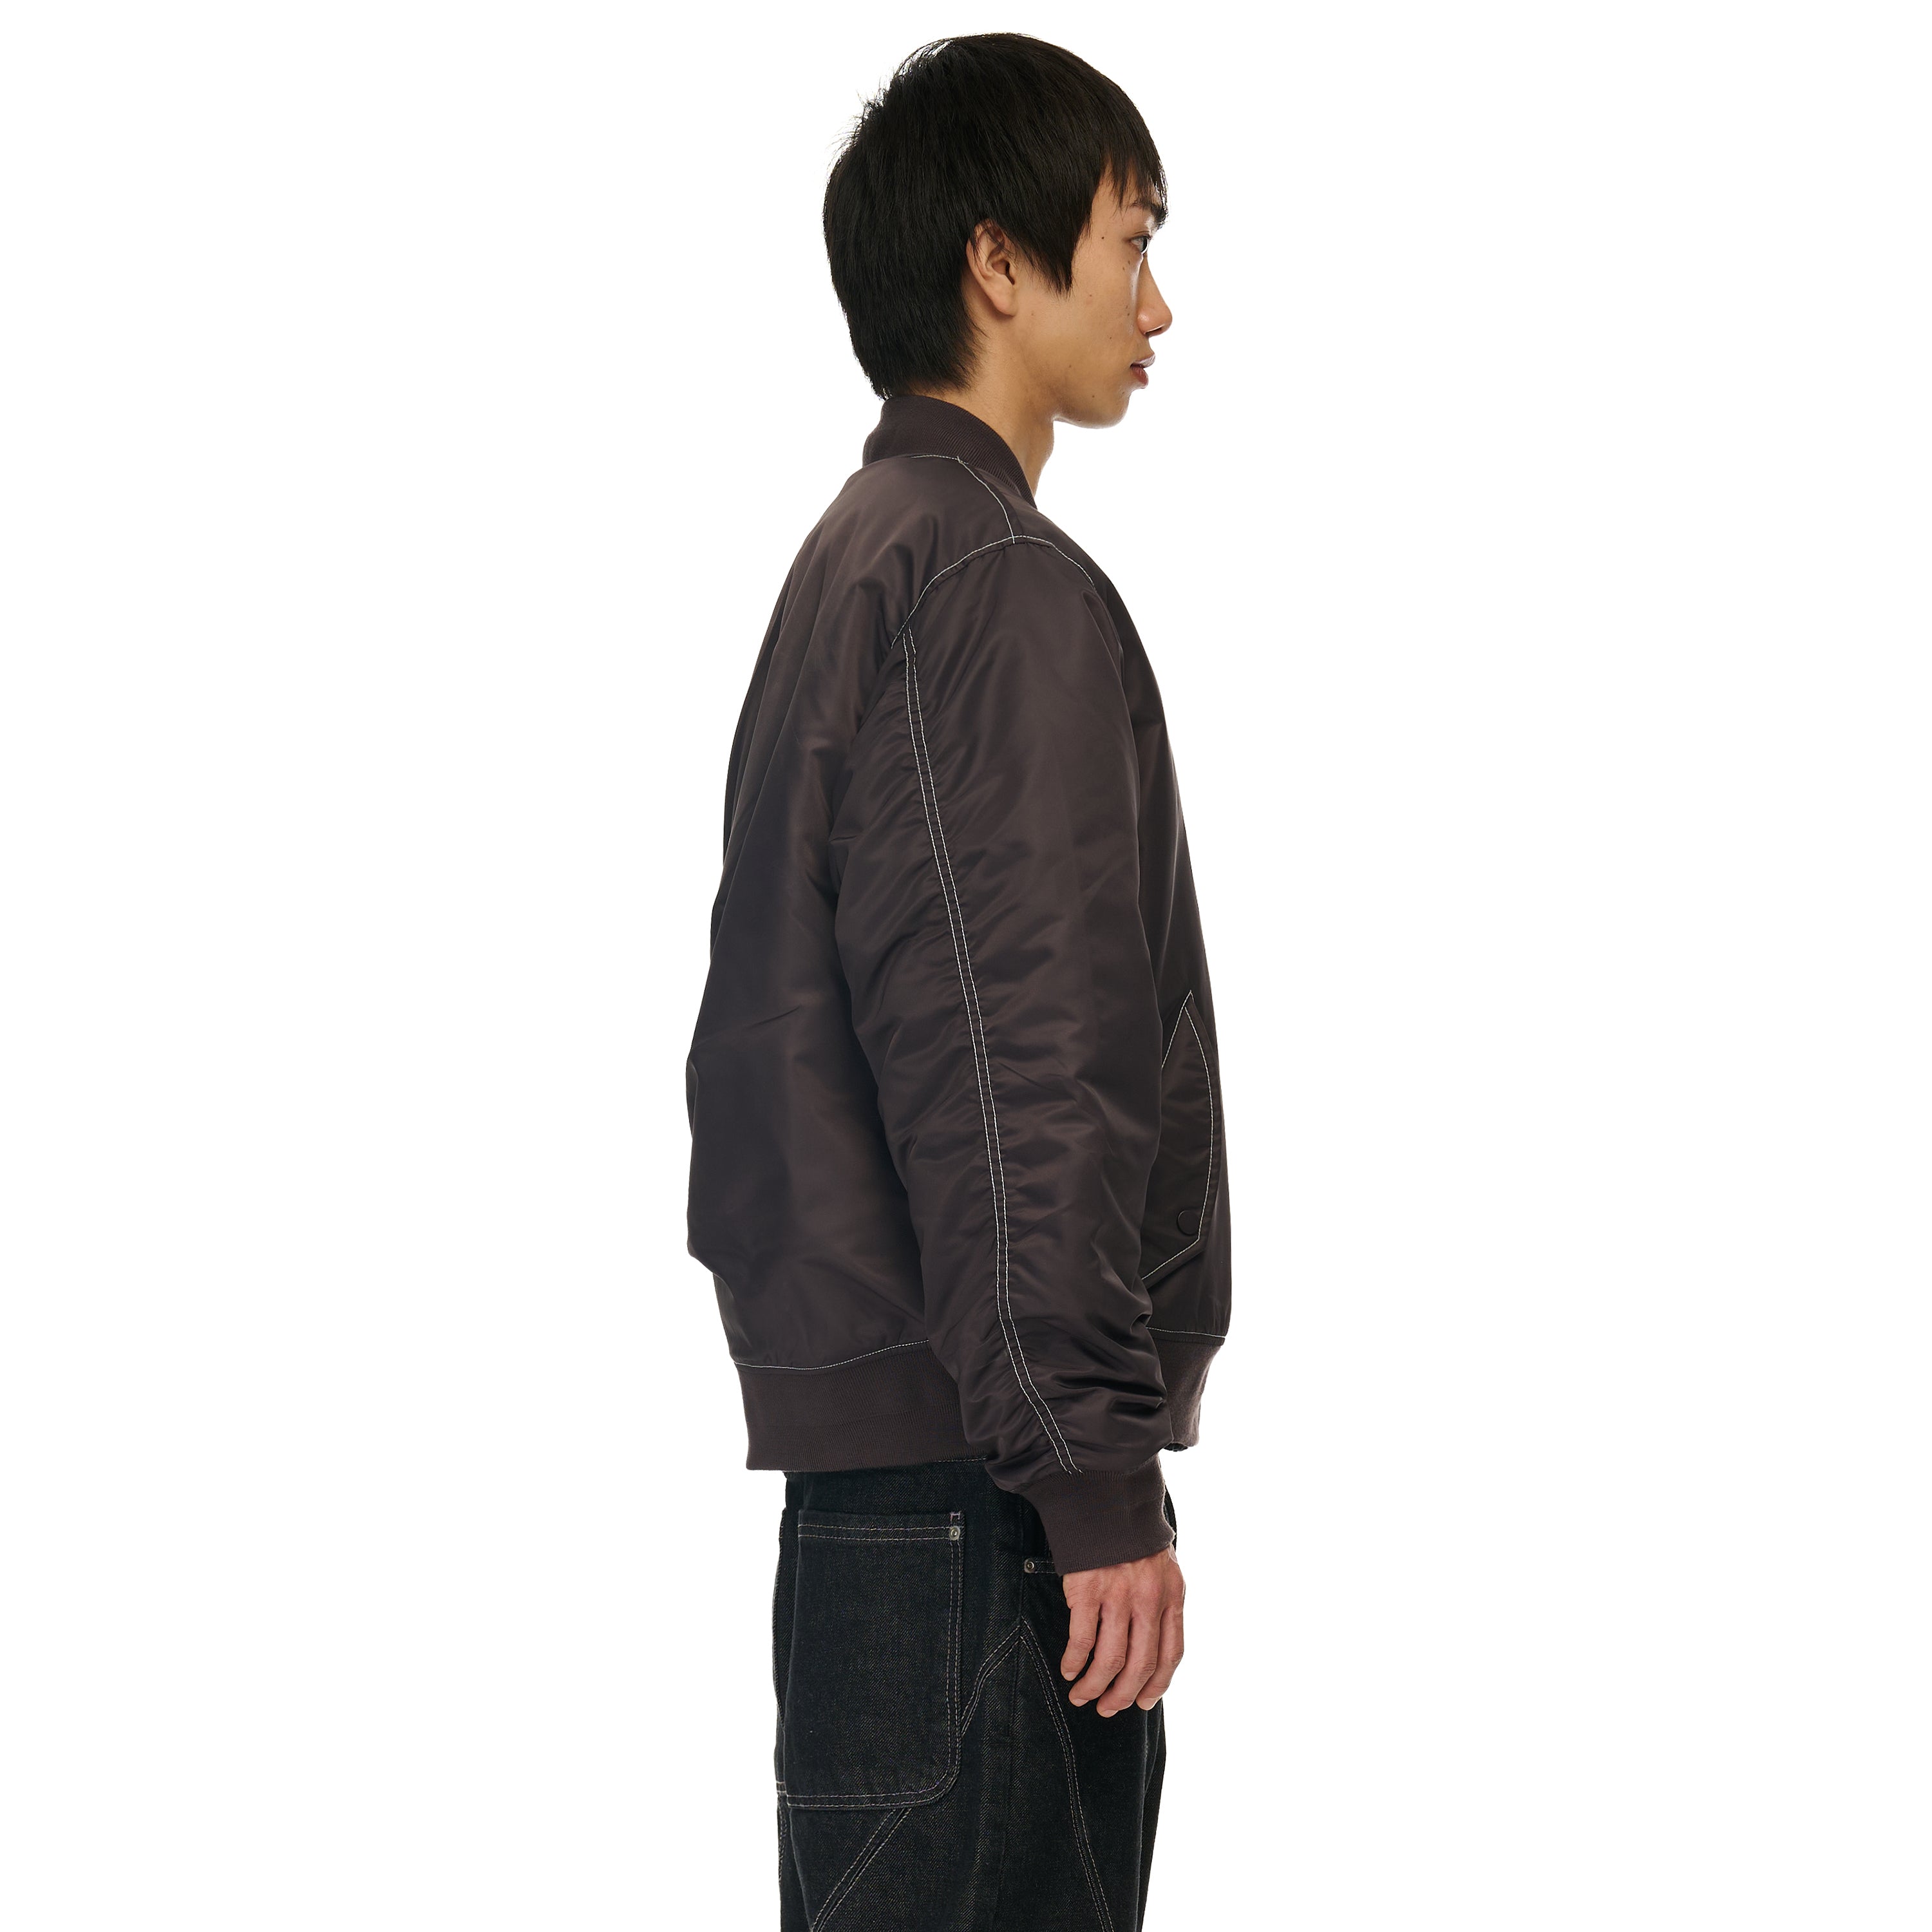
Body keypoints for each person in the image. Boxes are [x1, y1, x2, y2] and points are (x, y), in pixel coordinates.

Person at [685, 34, 1231, 1930]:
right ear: (1001, 262)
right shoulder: (990, 578)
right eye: (1132, 242)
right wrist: (1093, 1479)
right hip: (988, 1521)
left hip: (889, 1517)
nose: (1158, 305)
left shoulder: (858, 562)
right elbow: (1017, 1073)